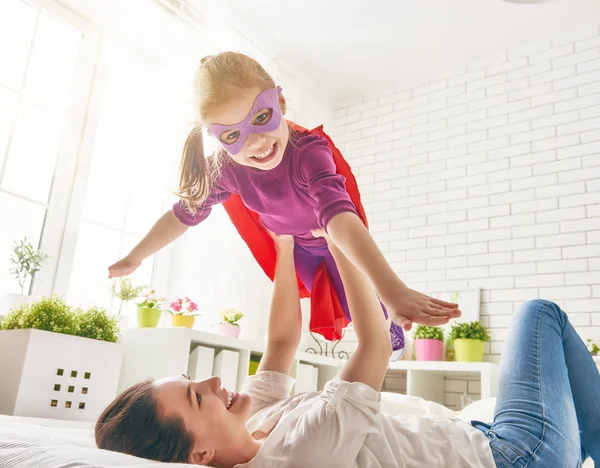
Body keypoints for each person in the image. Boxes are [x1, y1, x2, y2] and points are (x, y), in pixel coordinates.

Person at [96, 229, 599, 467]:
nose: (209, 382)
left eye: (193, 380)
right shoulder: (294, 457)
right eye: (196, 397)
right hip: (515, 458)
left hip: (477, 436)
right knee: (539, 314)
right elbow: (374, 344)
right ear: (200, 455)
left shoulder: (250, 423)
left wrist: (286, 245)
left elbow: (280, 341)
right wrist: (338, 236)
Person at [107, 51, 460, 351]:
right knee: (318, 303)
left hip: (330, 235)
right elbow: (182, 215)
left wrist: (393, 288)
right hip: (295, 247)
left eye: (261, 118)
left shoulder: (308, 152)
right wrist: (135, 256)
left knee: (360, 298)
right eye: (233, 134)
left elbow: (338, 215)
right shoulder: (225, 170)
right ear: (216, 138)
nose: (257, 142)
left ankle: (388, 323)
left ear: (280, 102)